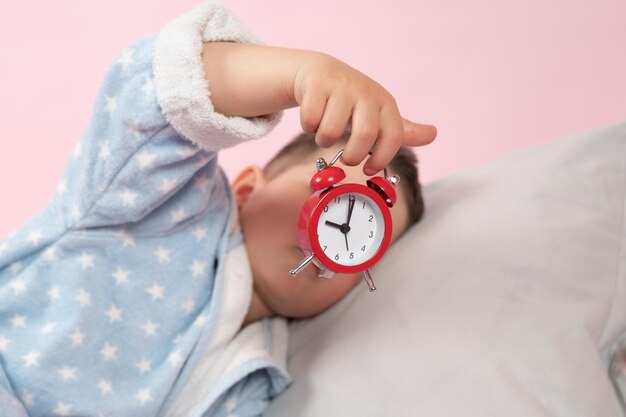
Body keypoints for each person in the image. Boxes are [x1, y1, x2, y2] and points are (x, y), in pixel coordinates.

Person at [0, 1, 436, 416]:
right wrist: (304, 73)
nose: (333, 229)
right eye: (324, 189)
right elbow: (158, 94)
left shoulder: (256, 378)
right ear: (247, 188)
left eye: (365, 238)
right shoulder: (169, 206)